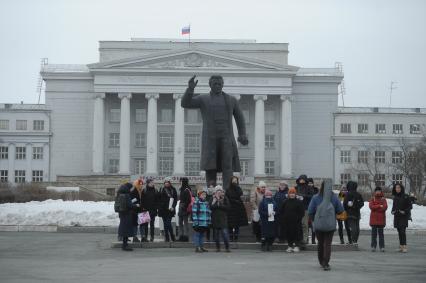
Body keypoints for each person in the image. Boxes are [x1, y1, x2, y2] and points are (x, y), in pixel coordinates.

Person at [181, 75, 248, 191]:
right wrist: (190, 89)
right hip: (210, 139)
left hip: (226, 137)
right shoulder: (203, 99)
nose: (217, 86)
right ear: (210, 85)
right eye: (215, 84)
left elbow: (240, 117)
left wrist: (242, 134)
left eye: (219, 84)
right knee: (210, 167)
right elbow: (185, 103)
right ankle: (211, 192)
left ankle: (228, 192)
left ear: (222, 85)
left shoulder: (231, 100)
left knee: (228, 166)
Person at [308, 180, 344, 271]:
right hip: (330, 224)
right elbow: (340, 210)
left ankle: (321, 261)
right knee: (327, 244)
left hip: (318, 225)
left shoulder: (315, 197)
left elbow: (310, 211)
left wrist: (314, 221)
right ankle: (326, 262)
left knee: (320, 243)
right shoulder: (334, 198)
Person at [278, 187, 305, 253]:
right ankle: (289, 246)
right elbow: (281, 211)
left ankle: (296, 246)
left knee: (297, 234)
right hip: (287, 222)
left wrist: (298, 218)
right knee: (288, 234)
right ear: (289, 194)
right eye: (290, 193)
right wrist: (283, 218)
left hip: (296, 222)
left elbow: (302, 212)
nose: (292, 194)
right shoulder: (285, 202)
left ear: (295, 194)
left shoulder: (299, 202)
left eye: (293, 193)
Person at [116, 181, 140, 251]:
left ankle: (125, 244)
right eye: (131, 188)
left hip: (122, 214)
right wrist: (136, 205)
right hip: (127, 214)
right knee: (126, 230)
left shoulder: (119, 194)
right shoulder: (126, 195)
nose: (131, 189)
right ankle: (125, 245)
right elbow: (129, 205)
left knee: (124, 229)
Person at [226, 176, 248, 242]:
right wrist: (234, 200)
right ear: (231, 181)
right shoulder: (228, 189)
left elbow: (240, 193)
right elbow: (228, 197)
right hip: (230, 208)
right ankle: (230, 237)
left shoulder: (238, 188)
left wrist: (236, 186)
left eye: (236, 180)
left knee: (237, 224)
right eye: (233, 180)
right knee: (230, 224)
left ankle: (235, 237)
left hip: (238, 208)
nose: (235, 181)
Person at [391, 183, 412, 253]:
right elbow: (393, 207)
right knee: (399, 231)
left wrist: (405, 211)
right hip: (397, 216)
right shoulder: (395, 197)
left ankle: (405, 246)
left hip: (403, 216)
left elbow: (410, 206)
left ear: (401, 188)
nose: (397, 189)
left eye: (399, 188)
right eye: (396, 188)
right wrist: (392, 211)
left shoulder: (406, 196)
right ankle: (401, 246)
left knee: (403, 231)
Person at [210, 185, 231, 252]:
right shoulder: (213, 198)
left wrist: (220, 204)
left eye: (220, 191)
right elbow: (210, 207)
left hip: (223, 219)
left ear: (222, 191)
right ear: (215, 192)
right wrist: (216, 202)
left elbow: (228, 207)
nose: (219, 192)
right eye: (217, 191)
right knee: (216, 236)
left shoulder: (225, 198)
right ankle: (218, 247)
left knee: (225, 234)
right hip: (215, 219)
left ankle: (227, 247)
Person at [295, 174, 314, 247]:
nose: (301, 180)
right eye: (300, 179)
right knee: (297, 224)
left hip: (305, 208)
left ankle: (305, 239)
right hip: (296, 208)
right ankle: (298, 238)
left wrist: (303, 196)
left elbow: (311, 196)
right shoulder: (296, 187)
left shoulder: (309, 188)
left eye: (303, 179)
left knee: (304, 224)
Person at [343, 181, 364, 245]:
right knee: (357, 227)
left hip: (349, 213)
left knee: (352, 227)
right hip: (357, 213)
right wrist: (356, 207)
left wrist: (348, 208)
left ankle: (353, 240)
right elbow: (362, 203)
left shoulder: (347, 194)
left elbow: (344, 204)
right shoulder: (358, 194)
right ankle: (355, 240)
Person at [158, 177, 178, 242]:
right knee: (165, 224)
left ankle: (172, 236)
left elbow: (175, 199)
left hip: (170, 209)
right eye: (165, 182)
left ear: (170, 183)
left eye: (167, 182)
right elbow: (159, 198)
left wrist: (173, 206)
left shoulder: (173, 189)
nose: (166, 183)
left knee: (168, 223)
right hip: (163, 209)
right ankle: (167, 237)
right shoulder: (161, 189)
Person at [192, 188, 212, 252]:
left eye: (205, 195)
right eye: (202, 194)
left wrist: (209, 221)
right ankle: (197, 247)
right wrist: (196, 222)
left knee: (202, 235)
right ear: (199, 195)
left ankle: (201, 246)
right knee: (197, 235)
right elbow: (194, 213)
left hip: (204, 222)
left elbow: (208, 213)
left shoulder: (206, 203)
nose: (204, 196)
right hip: (198, 222)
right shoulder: (196, 202)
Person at [369, 187, 388, 252]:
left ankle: (382, 247)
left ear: (381, 191)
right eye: (376, 191)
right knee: (373, 235)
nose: (378, 192)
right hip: (374, 219)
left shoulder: (383, 199)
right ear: (375, 192)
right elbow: (371, 207)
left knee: (381, 235)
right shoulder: (372, 199)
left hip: (381, 219)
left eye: (379, 191)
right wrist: (379, 206)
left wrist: (376, 207)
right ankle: (373, 246)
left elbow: (384, 207)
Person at [177, 177, 192, 242]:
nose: (180, 182)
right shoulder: (182, 189)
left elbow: (188, 200)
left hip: (184, 207)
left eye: (181, 181)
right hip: (181, 206)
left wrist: (184, 207)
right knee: (180, 222)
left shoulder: (186, 189)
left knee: (185, 222)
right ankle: (181, 236)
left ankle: (186, 236)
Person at [130, 178, 144, 242]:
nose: (141, 185)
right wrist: (136, 204)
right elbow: (131, 201)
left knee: (142, 223)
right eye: (140, 184)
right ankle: (134, 237)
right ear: (136, 184)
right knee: (135, 224)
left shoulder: (142, 191)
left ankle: (143, 237)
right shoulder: (133, 191)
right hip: (135, 210)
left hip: (142, 209)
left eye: (142, 184)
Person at [307, 178, 319, 244]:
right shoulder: (305, 189)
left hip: (314, 211)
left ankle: (313, 240)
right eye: (309, 183)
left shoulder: (316, 190)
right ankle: (306, 239)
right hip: (307, 209)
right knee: (307, 225)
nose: (310, 184)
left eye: (311, 183)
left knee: (313, 226)